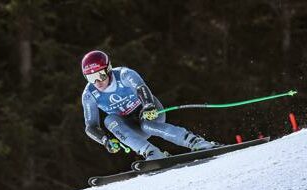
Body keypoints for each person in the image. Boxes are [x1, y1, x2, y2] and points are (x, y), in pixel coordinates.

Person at [81, 50, 215, 160]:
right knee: (109, 120)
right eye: (91, 78)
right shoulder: (89, 94)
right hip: (131, 127)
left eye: (101, 75)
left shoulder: (124, 75)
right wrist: (105, 141)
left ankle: (195, 142)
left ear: (108, 69)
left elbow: (141, 88)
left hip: (149, 111)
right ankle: (152, 153)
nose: (97, 82)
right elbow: (90, 127)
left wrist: (148, 106)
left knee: (147, 125)